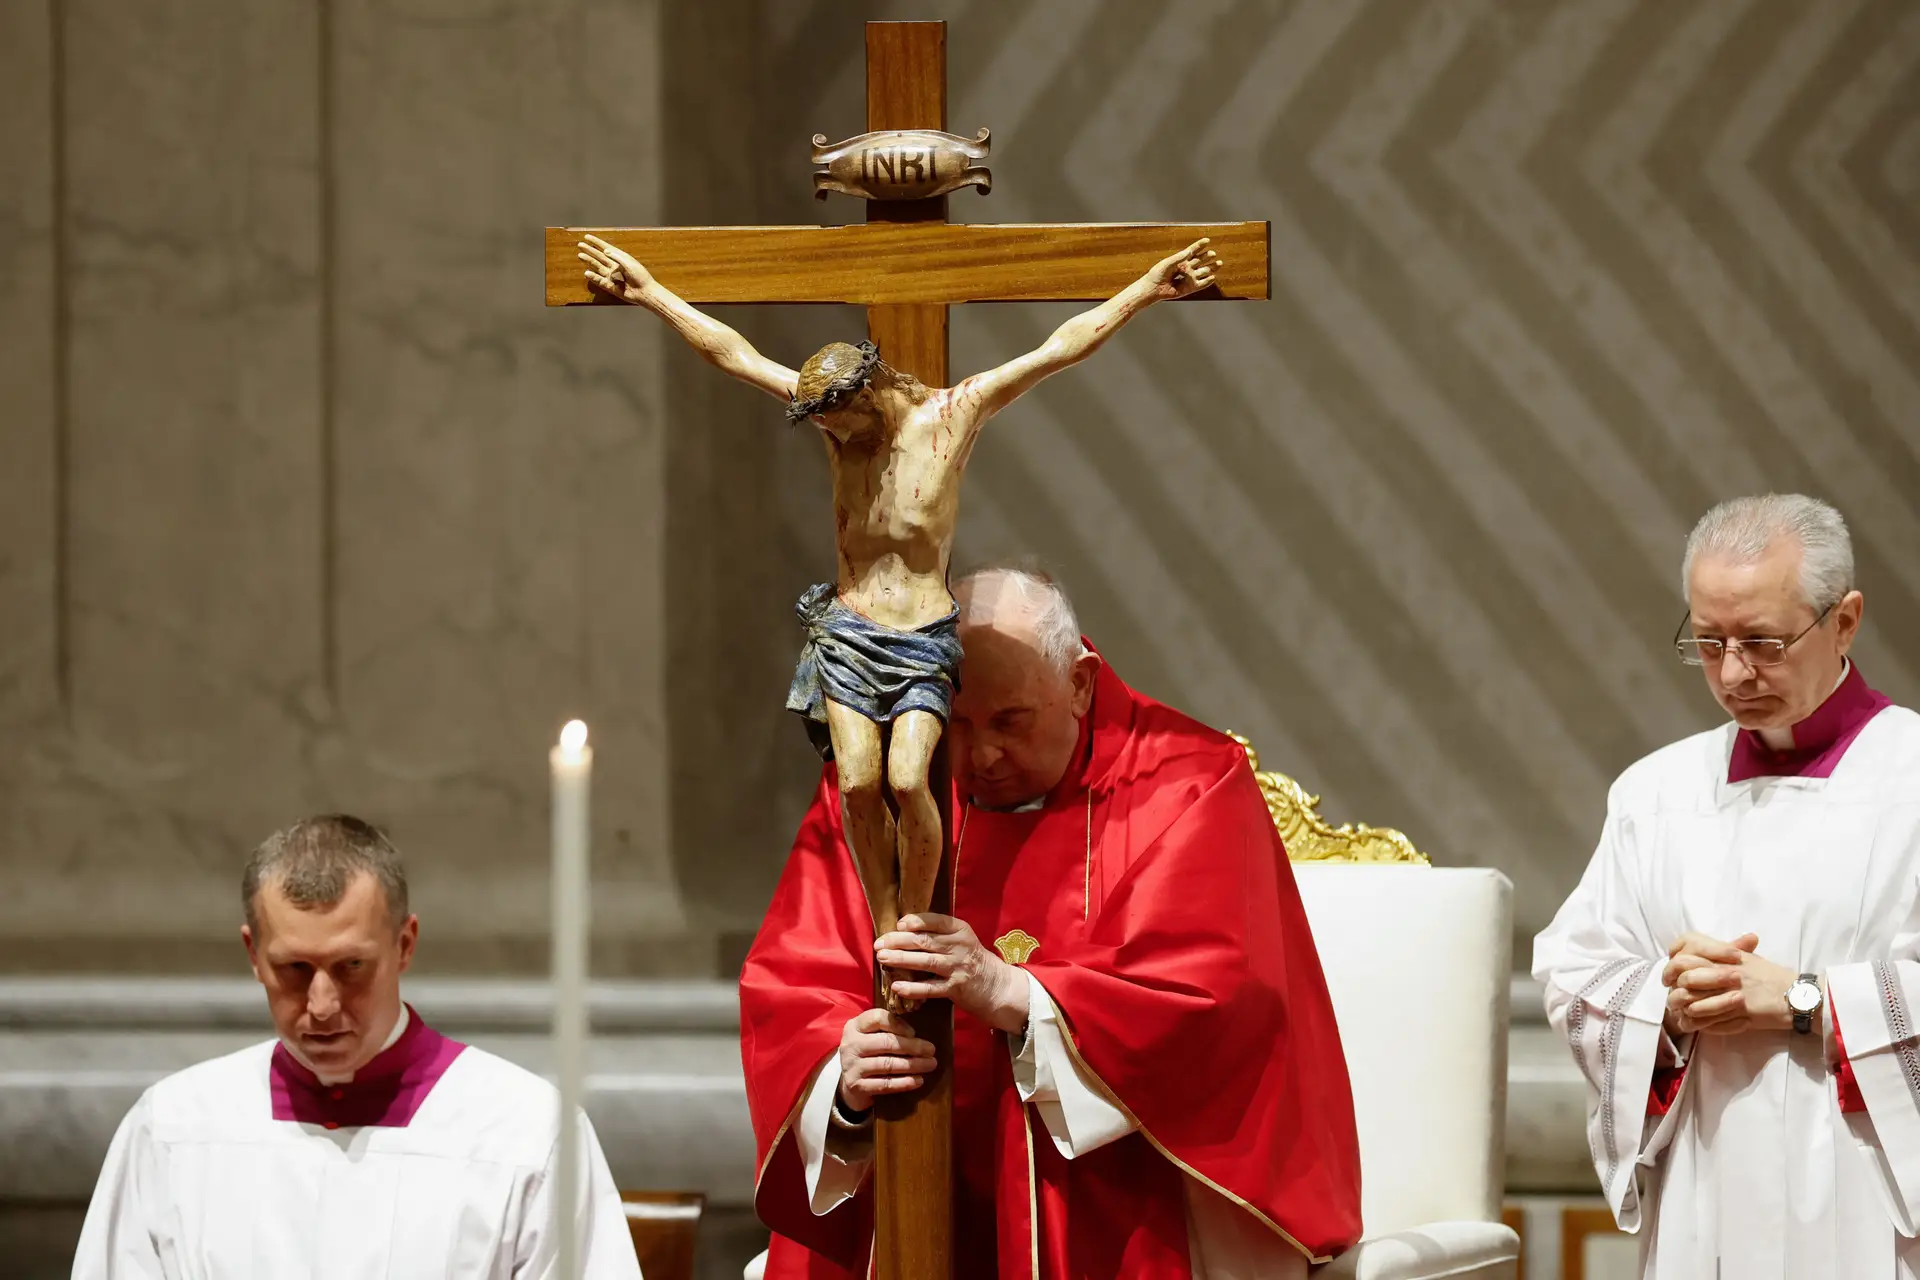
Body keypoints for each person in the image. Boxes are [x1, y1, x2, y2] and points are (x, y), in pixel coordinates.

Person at [576, 232, 1221, 1006]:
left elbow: (1058, 348)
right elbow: (735, 355)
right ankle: (889, 931)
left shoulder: (953, 417)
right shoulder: (834, 428)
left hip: (919, 638)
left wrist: (1148, 287)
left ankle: (913, 923)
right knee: (857, 783)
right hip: (849, 632)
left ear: (871, 391)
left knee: (913, 778)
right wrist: (649, 292)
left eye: (843, 419)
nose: (835, 434)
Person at [739, 566, 1362, 1279]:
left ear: (1081, 683)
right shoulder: (884, 794)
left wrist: (1013, 995)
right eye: (959, 723)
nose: (982, 756)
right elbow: (792, 983)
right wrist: (844, 1078)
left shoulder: (1190, 783)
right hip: (904, 1193)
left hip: (1118, 1200)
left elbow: (1214, 1001)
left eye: (1011, 721)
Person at [1534, 494, 1920, 1279]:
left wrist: (1806, 1001)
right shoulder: (1655, 793)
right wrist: (1664, 1006)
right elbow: (1574, 973)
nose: (1735, 673)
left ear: (1844, 621)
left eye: (1763, 642)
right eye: (1708, 643)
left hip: (1869, 1198)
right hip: (1703, 1192)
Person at [72, 814, 642, 1279]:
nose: (321, 1005)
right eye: (294, 969)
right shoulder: (173, 1129)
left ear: (405, 944)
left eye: (350, 967)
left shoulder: (527, 1132)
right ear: (252, 954)